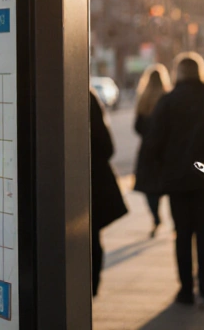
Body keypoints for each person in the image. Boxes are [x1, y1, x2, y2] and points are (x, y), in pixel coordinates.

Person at [143, 52, 204, 308]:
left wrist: (160, 168)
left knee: (183, 233)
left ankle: (186, 290)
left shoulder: (168, 101)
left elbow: (152, 142)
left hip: (177, 179)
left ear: (178, 72)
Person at [90, 88, 128, 295]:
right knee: (91, 235)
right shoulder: (87, 97)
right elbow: (107, 147)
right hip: (90, 184)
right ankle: (91, 288)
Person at [132, 63, 171, 238]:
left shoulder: (143, 99)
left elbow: (137, 126)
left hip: (148, 151)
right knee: (170, 187)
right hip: (167, 151)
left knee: (150, 189)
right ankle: (175, 223)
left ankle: (156, 217)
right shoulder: (167, 97)